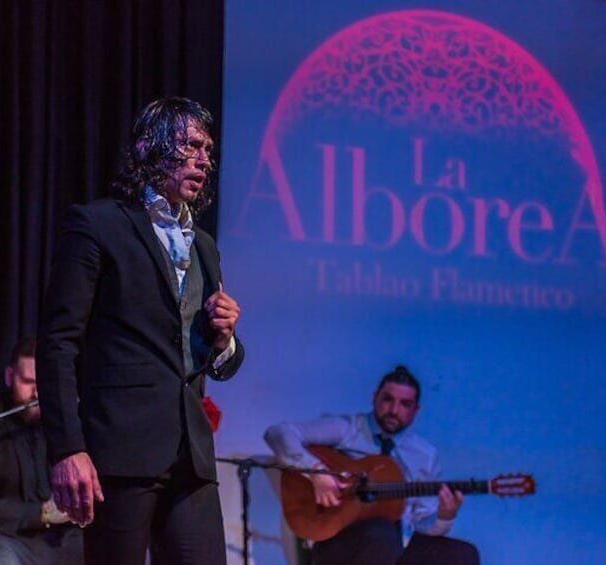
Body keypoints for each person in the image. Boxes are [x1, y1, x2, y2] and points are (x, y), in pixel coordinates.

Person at [36, 97, 245, 565]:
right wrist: (68, 449)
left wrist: (225, 338)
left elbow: (213, 360)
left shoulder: (205, 246)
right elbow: (58, 343)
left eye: (208, 150)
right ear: (150, 146)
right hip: (120, 451)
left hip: (190, 454)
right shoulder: (98, 224)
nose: (203, 160)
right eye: (191, 145)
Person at [264, 365, 480, 565]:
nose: (394, 410)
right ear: (374, 398)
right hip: (337, 540)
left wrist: (444, 516)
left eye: (404, 404)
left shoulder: (425, 456)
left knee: (463, 554)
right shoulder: (348, 429)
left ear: (415, 410)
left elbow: (421, 525)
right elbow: (279, 433)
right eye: (388, 399)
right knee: (380, 534)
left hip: (398, 543)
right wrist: (316, 472)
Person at [0, 337, 83, 565]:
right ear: (10, 377)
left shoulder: (69, 422)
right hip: (5, 539)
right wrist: (40, 514)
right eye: (28, 382)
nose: (37, 394)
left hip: (66, 540)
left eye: (44, 384)